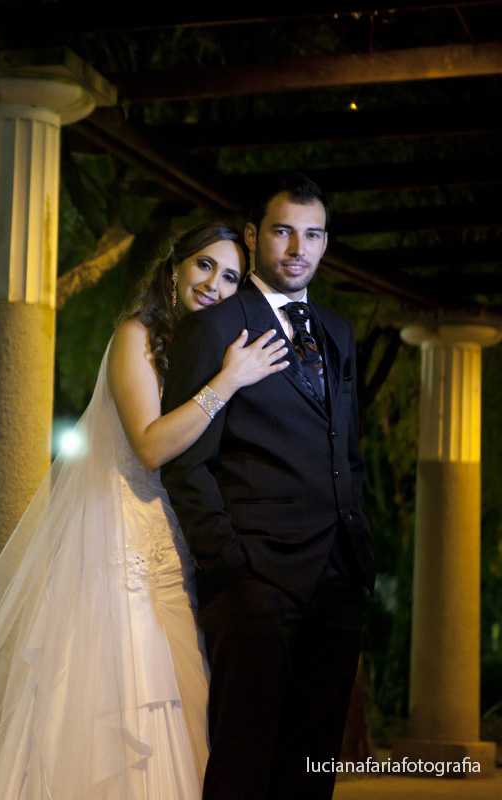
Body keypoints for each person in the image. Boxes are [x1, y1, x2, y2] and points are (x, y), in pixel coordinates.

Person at [0, 223, 288, 800]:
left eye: (231, 276)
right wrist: (231, 380)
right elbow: (152, 445)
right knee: (124, 705)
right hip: (120, 545)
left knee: (187, 710)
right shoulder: (137, 336)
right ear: (175, 268)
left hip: (176, 545)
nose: (214, 283)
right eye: (204, 265)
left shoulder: (201, 348)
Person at [161, 175, 376, 799]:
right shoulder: (216, 324)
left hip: (337, 575)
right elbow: (186, 463)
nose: (296, 248)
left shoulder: (337, 331)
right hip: (255, 579)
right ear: (255, 235)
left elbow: (348, 451)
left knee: (313, 766)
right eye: (282, 231)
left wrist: (357, 541)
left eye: (311, 234)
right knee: (243, 760)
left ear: (325, 243)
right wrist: (229, 562)